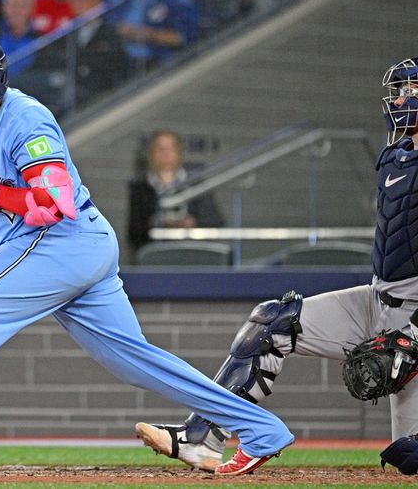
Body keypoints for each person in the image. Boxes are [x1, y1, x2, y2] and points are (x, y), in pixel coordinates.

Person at [0, 31, 293, 476]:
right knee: (136, 362)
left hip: (60, 242)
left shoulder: (26, 118)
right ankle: (259, 428)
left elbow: (56, 204)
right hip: (75, 249)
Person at [134, 57, 418, 477]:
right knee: (273, 321)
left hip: (414, 313)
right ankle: (199, 438)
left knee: (407, 458)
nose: (398, 100)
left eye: (410, 92)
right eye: (398, 91)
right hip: (377, 297)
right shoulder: (394, 157)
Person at [127, 130, 224, 255]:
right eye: (160, 148)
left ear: (179, 152)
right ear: (151, 154)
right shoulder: (140, 188)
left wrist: (192, 223)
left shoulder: (195, 184)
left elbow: (216, 221)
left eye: (170, 148)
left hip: (192, 253)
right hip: (155, 255)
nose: (166, 153)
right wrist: (153, 223)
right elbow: (133, 233)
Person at [0, 0, 37, 77]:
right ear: (4, 7)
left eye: (23, 5)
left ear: (32, 8)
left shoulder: (43, 41)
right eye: (13, 4)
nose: (17, 10)